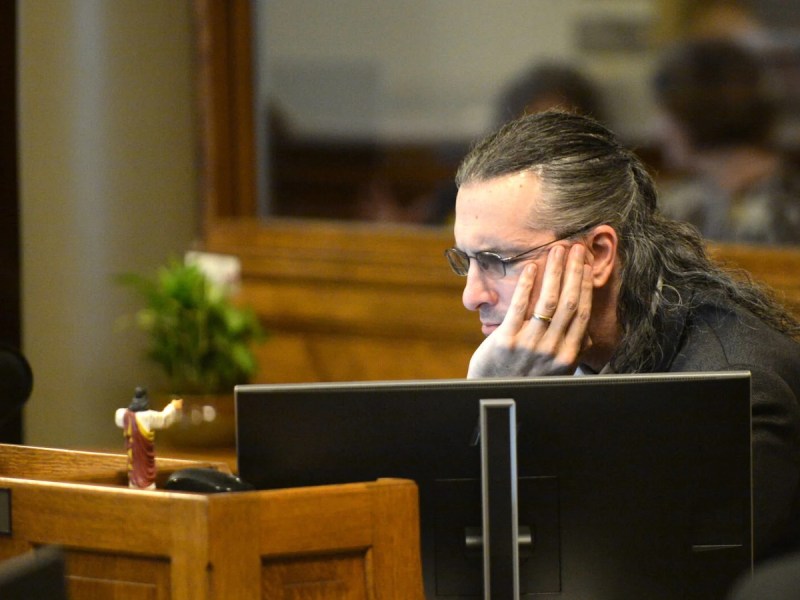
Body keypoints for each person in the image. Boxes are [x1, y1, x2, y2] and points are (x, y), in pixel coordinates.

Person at [445, 110, 800, 562]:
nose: (471, 296)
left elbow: (644, 573)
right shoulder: (554, 363)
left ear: (597, 254)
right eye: (466, 261)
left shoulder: (733, 392)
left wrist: (507, 398)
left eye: (497, 261)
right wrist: (490, 399)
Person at [653, 37, 800, 244]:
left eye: (666, 112)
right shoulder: (680, 204)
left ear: (691, 113)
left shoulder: (672, 214)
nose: (658, 128)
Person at [114, 387, 183, 489]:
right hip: (142, 454)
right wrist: (172, 406)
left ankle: (136, 483)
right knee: (143, 471)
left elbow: (118, 416)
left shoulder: (124, 415)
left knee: (136, 469)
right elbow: (164, 419)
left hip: (136, 454)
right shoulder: (148, 416)